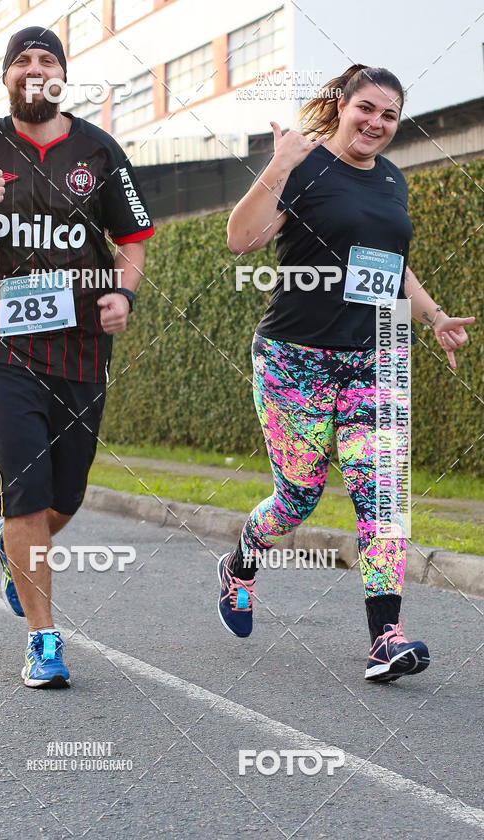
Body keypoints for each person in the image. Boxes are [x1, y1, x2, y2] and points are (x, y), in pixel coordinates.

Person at [218, 64, 475, 682]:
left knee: (382, 492)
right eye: (368, 109)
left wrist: (434, 316)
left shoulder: (391, 180)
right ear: (342, 105)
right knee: (298, 496)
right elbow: (240, 240)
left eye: (389, 115)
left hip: (369, 361)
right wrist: (279, 163)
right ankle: (241, 564)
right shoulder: (302, 167)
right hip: (292, 361)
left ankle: (386, 636)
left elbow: (391, 264)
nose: (378, 124)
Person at [0, 26, 154, 689]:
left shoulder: (99, 151)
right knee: (25, 493)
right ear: (8, 78)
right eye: (21, 59)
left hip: (81, 348)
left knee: (64, 497)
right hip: (1, 346)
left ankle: (11, 546)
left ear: (62, 76)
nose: (34, 67)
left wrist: (125, 298)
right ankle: (43, 640)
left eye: (47, 58)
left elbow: (132, 239)